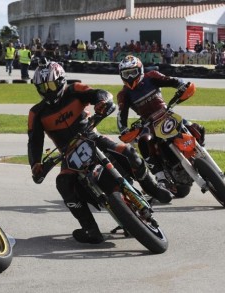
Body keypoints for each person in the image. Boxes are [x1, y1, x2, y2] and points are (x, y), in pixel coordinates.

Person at [28, 60, 172, 245]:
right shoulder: (37, 113)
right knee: (62, 183)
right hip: (68, 154)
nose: (48, 90)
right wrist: (35, 164)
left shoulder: (75, 89)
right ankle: (91, 229)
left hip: (92, 137)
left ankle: (153, 187)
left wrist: (103, 102)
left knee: (128, 151)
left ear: (62, 80)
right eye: (43, 87)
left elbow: (98, 94)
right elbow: (34, 141)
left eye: (51, 84)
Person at [116, 55, 205, 192]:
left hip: (166, 114)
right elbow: (122, 114)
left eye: (132, 73)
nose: (130, 77)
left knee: (196, 127)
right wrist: (123, 130)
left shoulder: (152, 76)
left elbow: (172, 81)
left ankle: (201, 153)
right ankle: (161, 177)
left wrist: (182, 85)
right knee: (143, 142)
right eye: (126, 74)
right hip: (148, 123)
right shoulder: (124, 94)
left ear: (140, 70)